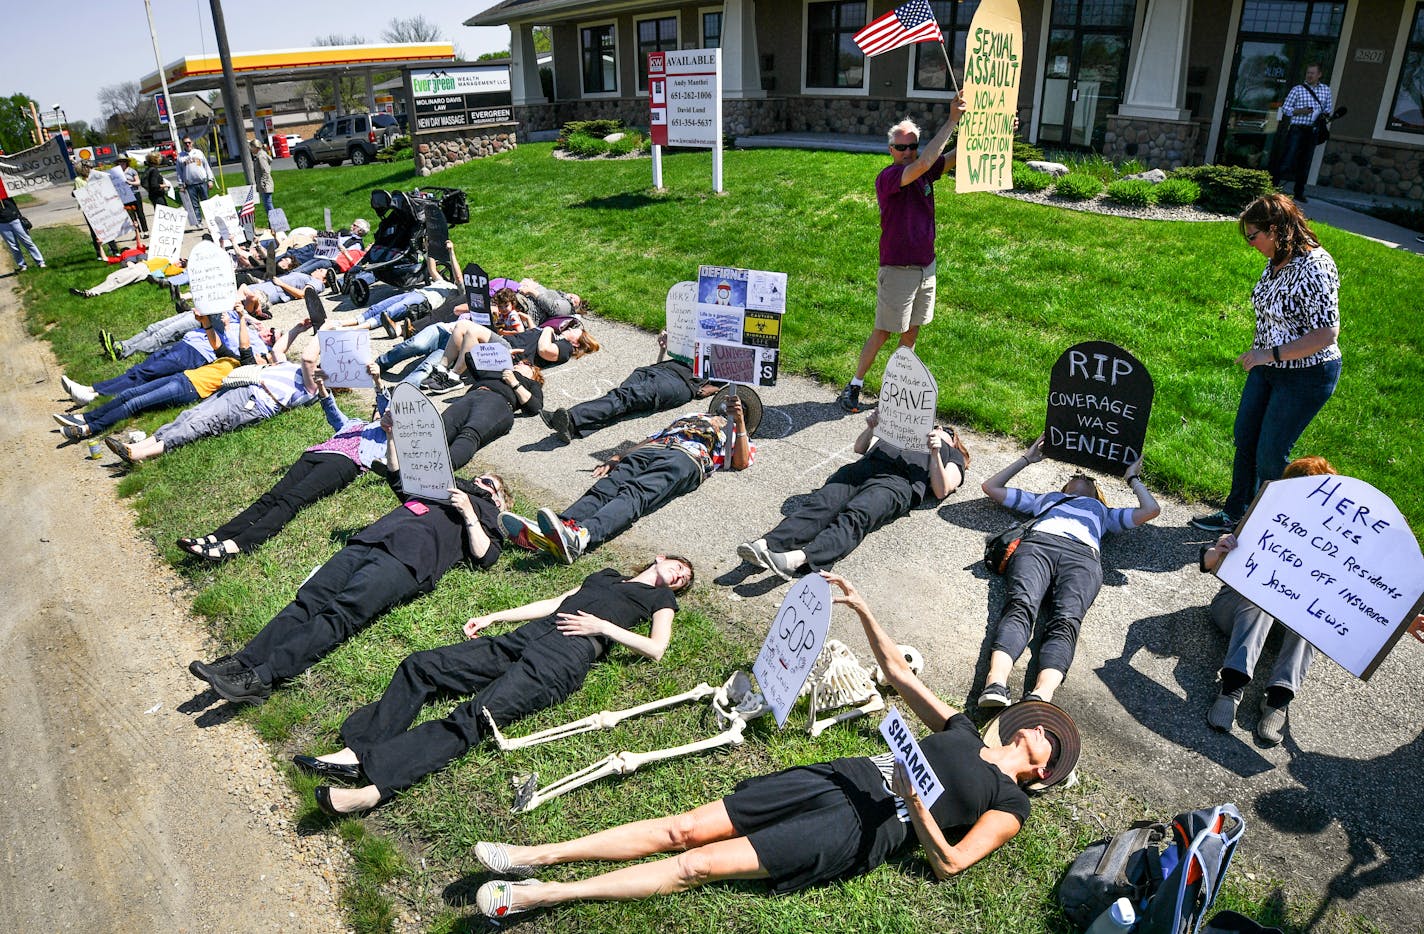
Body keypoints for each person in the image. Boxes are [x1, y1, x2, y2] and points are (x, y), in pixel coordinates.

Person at [468, 572, 1074, 918]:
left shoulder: (1010, 805)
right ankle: (537, 853)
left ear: (1041, 774)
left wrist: (915, 802)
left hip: (866, 827)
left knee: (696, 866)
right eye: (1045, 721)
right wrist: (862, 608)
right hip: (843, 776)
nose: (1043, 727)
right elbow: (898, 674)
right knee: (683, 828)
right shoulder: (964, 729)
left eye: (1054, 739)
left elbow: (951, 863)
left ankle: (540, 894)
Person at [292, 556, 693, 815]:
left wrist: (603, 628)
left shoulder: (659, 600)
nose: (678, 576)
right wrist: (497, 617)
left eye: (683, 580)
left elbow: (656, 648)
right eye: (678, 567)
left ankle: (375, 788)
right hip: (529, 636)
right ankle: (355, 751)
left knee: (474, 716)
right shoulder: (606, 574)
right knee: (422, 666)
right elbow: (556, 602)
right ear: (660, 558)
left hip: (567, 655)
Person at [187, 431, 508, 705]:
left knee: (340, 614)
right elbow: (397, 478)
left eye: (488, 483)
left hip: (406, 561)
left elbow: (487, 556)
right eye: (478, 478)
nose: (478, 481)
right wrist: (393, 436)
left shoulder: (488, 516)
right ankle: (241, 662)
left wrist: (469, 511)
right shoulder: (438, 489)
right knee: (307, 601)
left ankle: (261, 679)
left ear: (500, 500)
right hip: (367, 542)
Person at [1190, 194, 1341, 534]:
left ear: (1275, 229)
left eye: (1253, 235)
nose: (1250, 243)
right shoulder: (1277, 259)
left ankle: (1274, 526)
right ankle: (1236, 513)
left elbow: (1326, 334)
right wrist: (1264, 356)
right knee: (1245, 437)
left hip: (1308, 373)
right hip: (1268, 366)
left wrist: (1267, 355)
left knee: (1271, 454)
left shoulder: (1315, 266)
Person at [978, 436, 1160, 706]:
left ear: (1098, 494)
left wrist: (1132, 478)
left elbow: (1151, 509)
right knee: (1020, 605)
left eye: (1089, 479)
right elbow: (990, 486)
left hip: (1082, 557)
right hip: (1038, 545)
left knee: (1066, 621)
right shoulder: (1047, 500)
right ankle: (995, 683)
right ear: (1064, 487)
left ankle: (1041, 697)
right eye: (1075, 476)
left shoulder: (1104, 512)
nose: (1081, 475)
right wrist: (1027, 459)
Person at [176, 361, 387, 560]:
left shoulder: (388, 436)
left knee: (291, 500)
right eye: (377, 408)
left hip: (344, 462)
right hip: (315, 454)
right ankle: (217, 536)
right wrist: (322, 386)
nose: (379, 410)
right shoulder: (353, 423)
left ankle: (238, 544)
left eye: (384, 408)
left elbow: (388, 408)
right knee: (271, 497)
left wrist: (377, 382)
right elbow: (332, 411)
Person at [837, 99, 968, 413]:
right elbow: (923, 164)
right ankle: (854, 385)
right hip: (898, 269)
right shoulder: (889, 178)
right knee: (884, 330)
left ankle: (893, 387)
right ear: (890, 149)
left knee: (912, 331)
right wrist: (951, 121)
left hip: (926, 267)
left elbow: (951, 157)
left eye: (913, 146)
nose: (908, 152)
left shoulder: (925, 173)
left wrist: (994, 132)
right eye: (901, 147)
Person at [504, 397, 752, 563]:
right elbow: (655, 436)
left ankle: (583, 536)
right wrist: (620, 456)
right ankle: (559, 526)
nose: (726, 409)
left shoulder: (736, 433)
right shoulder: (694, 415)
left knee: (634, 494)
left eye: (735, 408)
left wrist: (738, 422)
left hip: (686, 458)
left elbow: (741, 462)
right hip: (655, 448)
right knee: (606, 486)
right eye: (727, 404)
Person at [1199, 455, 1337, 746]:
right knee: (1261, 599)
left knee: (1311, 616)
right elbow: (1206, 561)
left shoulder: (1332, 543)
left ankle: (1278, 699)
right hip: (1234, 609)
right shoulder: (1263, 517)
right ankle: (1232, 688)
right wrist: (1219, 550)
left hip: (1282, 626)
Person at [739, 411, 968, 578]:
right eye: (936, 425)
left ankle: (799, 558)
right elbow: (860, 448)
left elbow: (942, 489)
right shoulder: (901, 433)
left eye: (947, 431)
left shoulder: (951, 455)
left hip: (898, 483)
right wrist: (872, 427)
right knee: (822, 503)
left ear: (955, 442)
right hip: (865, 467)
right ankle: (767, 544)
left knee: (857, 515)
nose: (938, 429)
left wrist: (936, 452)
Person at [103, 319, 318, 465]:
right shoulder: (291, 368)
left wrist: (323, 333)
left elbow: (308, 359)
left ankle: (139, 455)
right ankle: (139, 445)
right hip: (242, 385)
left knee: (200, 424)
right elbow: (277, 350)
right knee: (189, 416)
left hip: (253, 402)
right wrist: (298, 329)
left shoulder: (313, 388)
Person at [54, 308, 265, 440]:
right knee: (129, 394)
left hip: (189, 389)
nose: (261, 355)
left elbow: (246, 345)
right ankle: (82, 418)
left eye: (264, 356)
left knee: (135, 404)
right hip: (184, 377)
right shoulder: (231, 358)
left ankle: (89, 429)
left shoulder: (247, 367)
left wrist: (242, 319)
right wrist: (206, 322)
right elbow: (215, 341)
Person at [59, 297, 271, 406]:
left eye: (275, 334)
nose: (270, 332)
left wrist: (228, 327)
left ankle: (95, 393)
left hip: (195, 355)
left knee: (145, 374)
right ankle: (93, 391)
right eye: (271, 329)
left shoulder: (258, 346)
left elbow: (235, 355)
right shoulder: (244, 325)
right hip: (186, 344)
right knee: (141, 370)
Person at [540, 330, 717, 442]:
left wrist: (710, 389)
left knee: (625, 398)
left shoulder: (729, 355)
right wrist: (667, 342)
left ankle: (570, 418)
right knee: (623, 401)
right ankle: (573, 428)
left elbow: (734, 380)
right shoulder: (702, 330)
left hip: (679, 383)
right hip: (656, 370)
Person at [1271, 63, 1334, 202]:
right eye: (1308, 73)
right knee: (1287, 159)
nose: (1309, 75)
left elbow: (1328, 109)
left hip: (1312, 130)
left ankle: (1299, 192)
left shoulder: (1326, 90)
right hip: (1297, 129)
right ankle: (1272, 188)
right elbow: (1286, 109)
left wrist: (1323, 114)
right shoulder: (1297, 89)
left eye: (1312, 73)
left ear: (1319, 75)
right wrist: (1301, 111)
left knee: (1305, 163)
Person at [67, 253, 185, 298]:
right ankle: (92, 291)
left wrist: (181, 268)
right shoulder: (165, 260)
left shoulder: (173, 269)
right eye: (180, 259)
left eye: (182, 263)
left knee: (118, 281)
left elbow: (174, 272)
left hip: (143, 271)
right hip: (137, 266)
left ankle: (90, 293)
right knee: (111, 277)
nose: (179, 262)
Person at [0, 196, 45, 271]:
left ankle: (40, 262)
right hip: (2, 223)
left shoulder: (5, 192)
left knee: (27, 242)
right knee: (13, 246)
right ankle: (22, 265)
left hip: (15, 219)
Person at [176, 137, 214, 223]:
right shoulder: (180, 156)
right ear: (183, 144)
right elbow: (179, 172)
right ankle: (198, 221)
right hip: (190, 185)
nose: (187, 144)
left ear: (192, 143)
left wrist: (210, 180)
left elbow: (206, 166)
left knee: (206, 203)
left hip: (202, 182)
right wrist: (181, 185)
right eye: (185, 143)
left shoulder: (198, 153)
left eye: (189, 142)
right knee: (194, 205)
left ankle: (210, 220)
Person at [108, 160, 146, 235]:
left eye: (123, 162)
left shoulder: (132, 171)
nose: (122, 164)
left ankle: (145, 231)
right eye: (120, 162)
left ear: (126, 163)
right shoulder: (116, 173)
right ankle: (138, 233)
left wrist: (130, 182)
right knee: (131, 215)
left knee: (140, 213)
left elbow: (138, 182)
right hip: (125, 197)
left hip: (135, 194)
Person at [248, 138, 275, 214]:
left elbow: (266, 171)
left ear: (256, 147)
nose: (251, 149)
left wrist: (262, 183)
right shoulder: (260, 156)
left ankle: (275, 221)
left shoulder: (261, 157)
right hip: (264, 185)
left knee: (268, 205)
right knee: (267, 205)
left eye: (251, 147)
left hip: (266, 185)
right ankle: (272, 221)